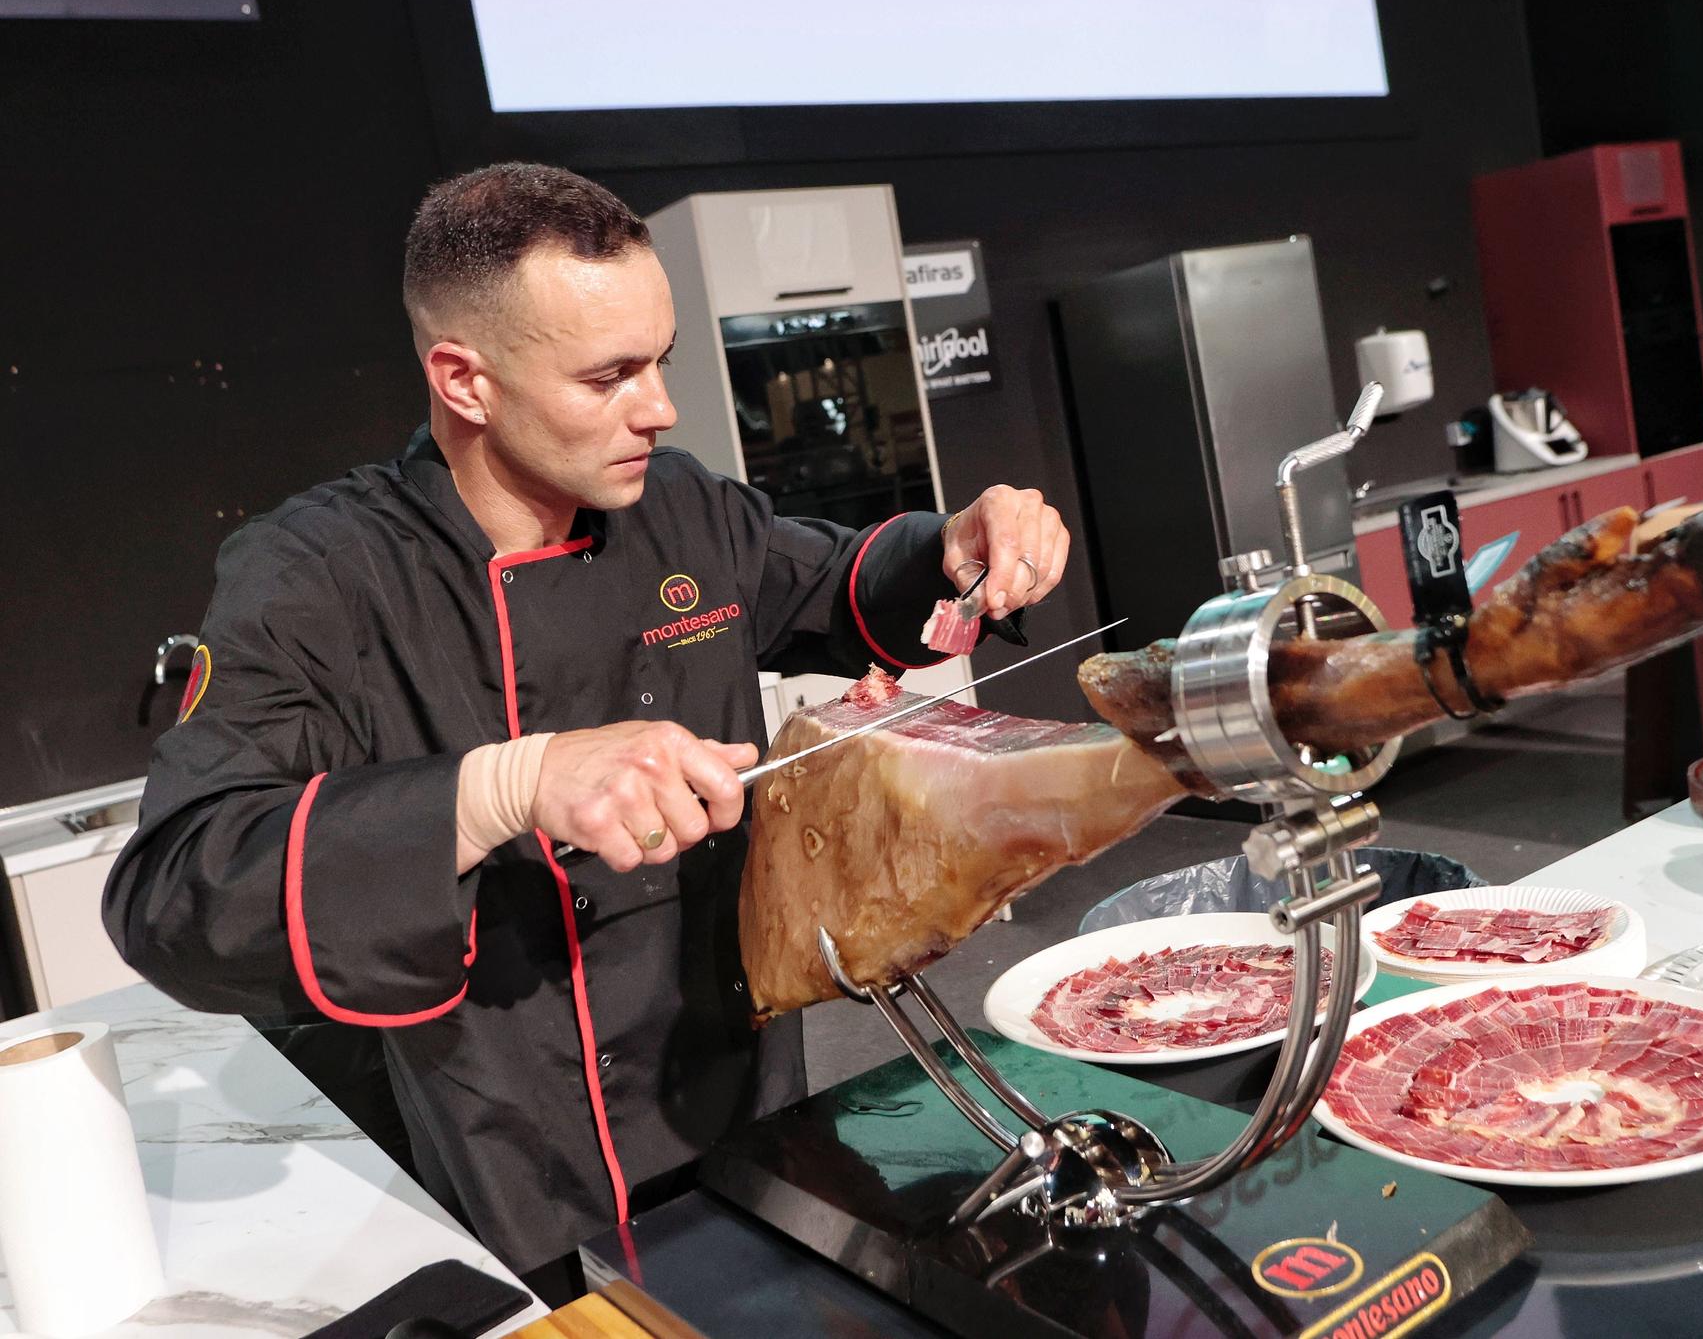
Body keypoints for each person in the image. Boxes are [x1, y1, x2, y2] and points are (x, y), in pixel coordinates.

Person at [102, 163, 1071, 1293]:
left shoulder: (681, 506)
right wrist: (506, 786)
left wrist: (955, 542)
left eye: (657, 361)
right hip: (513, 1161)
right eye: (610, 376)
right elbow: (174, 888)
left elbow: (843, 582)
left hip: (749, 1109)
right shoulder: (319, 574)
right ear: (464, 381)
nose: (657, 407)